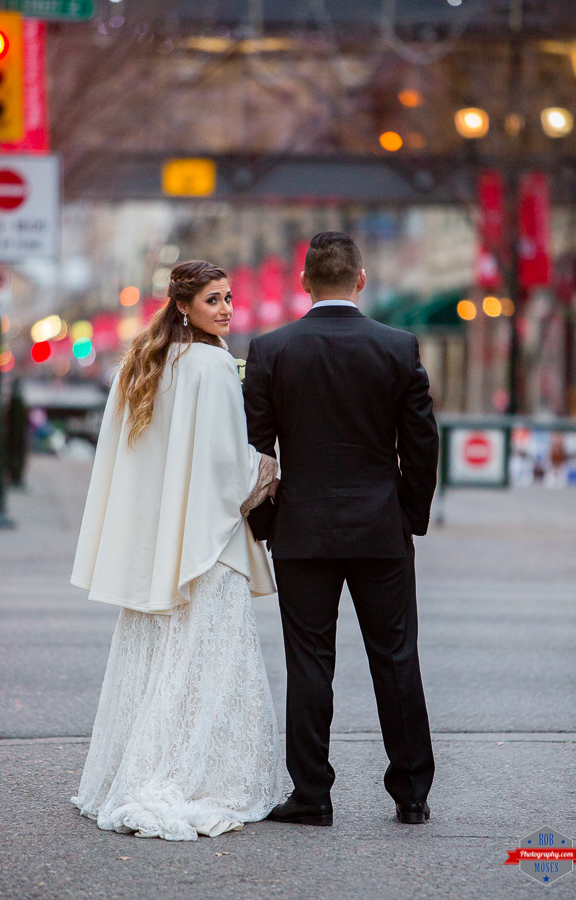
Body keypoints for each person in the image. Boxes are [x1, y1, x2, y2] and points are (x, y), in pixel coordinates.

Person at [70, 260, 283, 841]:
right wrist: (268, 468)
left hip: (158, 540)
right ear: (184, 306)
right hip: (207, 546)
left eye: (229, 298)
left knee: (160, 657)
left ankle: (135, 768)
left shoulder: (142, 365)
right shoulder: (213, 366)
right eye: (213, 300)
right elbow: (223, 467)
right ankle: (185, 771)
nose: (226, 309)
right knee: (203, 661)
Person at [244, 232, 439, 827]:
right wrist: (407, 513)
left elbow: (253, 450)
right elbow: (423, 444)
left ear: (303, 282)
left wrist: (271, 519)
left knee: (309, 662)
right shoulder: (398, 347)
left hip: (303, 530)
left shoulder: (271, 350)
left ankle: (312, 795)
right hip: (380, 527)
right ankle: (411, 794)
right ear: (361, 279)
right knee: (397, 657)